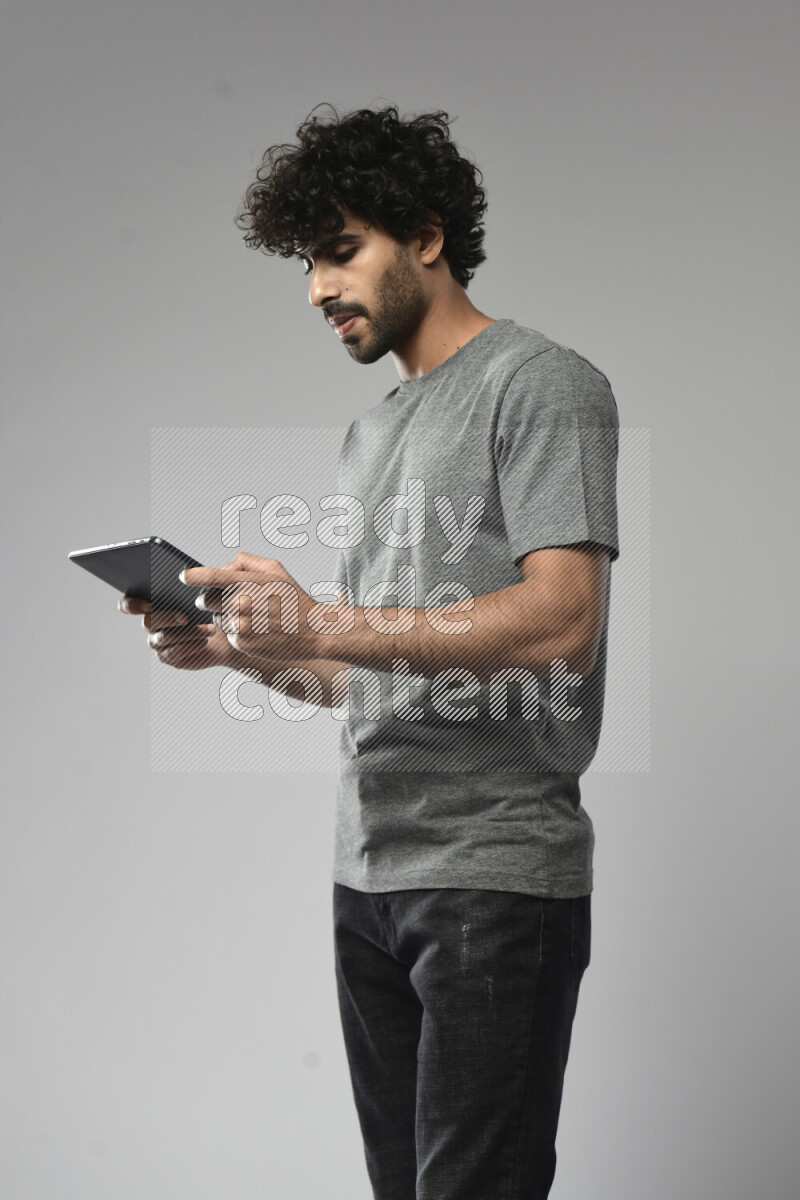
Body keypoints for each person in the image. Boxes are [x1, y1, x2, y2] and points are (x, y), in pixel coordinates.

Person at [121, 104, 620, 1200]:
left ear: (426, 238)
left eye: (339, 252)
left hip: (492, 876)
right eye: (305, 262)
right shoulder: (375, 430)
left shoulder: (541, 385)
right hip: (368, 876)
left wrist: (327, 620)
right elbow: (380, 671)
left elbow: (563, 620)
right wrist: (241, 654)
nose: (315, 289)